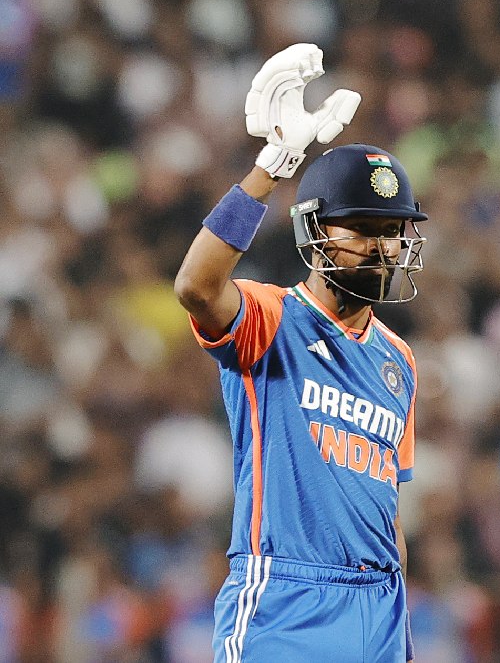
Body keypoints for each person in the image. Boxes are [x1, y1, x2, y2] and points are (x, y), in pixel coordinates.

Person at [173, 43, 427, 662]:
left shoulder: (399, 360)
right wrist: (273, 166)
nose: (382, 248)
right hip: (285, 602)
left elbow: (385, 509)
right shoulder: (272, 318)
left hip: (379, 606)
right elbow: (196, 287)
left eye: (392, 232)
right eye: (361, 229)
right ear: (314, 230)